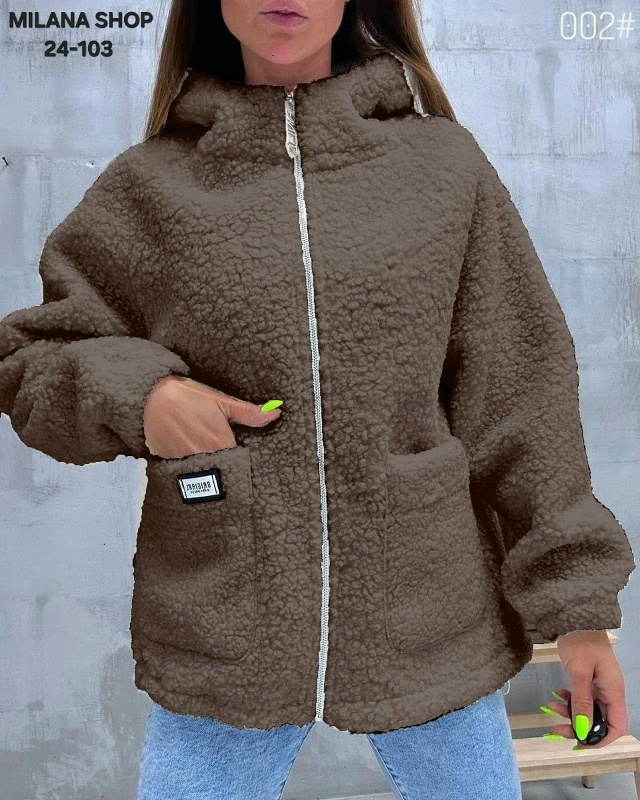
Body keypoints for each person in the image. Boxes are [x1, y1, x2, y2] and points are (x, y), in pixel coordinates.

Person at [0, 0, 636, 798]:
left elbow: (521, 397)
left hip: (429, 616)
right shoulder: (148, 186)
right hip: (226, 622)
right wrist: (145, 396)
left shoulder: (445, 169)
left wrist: (578, 613)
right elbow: (31, 356)